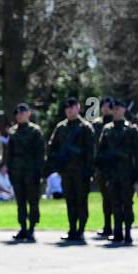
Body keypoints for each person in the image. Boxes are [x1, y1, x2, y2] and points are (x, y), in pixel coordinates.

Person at [46, 97, 96, 243]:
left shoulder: (85, 127)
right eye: (67, 108)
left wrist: (89, 171)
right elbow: (52, 147)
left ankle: (81, 230)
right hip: (66, 171)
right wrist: (57, 161)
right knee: (70, 201)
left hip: (81, 172)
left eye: (72, 107)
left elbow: (91, 152)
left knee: (81, 201)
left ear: (78, 108)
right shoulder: (61, 127)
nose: (69, 110)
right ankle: (72, 229)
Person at [97, 98, 138, 244]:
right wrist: (104, 169)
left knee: (127, 203)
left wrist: (137, 173)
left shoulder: (131, 130)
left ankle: (127, 232)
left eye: (118, 108)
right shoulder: (107, 129)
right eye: (114, 109)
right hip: (112, 173)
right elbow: (101, 152)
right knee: (115, 203)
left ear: (123, 110)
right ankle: (117, 232)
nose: (115, 111)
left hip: (127, 174)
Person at [6, 103, 45, 241]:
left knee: (33, 201)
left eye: (23, 113)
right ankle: (23, 227)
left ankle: (32, 228)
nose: (20, 115)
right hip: (17, 171)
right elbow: (9, 154)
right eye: (18, 113)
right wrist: (9, 170)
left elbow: (41, 153)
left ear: (28, 114)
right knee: (20, 201)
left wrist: (39, 171)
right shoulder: (13, 132)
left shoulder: (35, 131)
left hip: (31, 171)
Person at [91, 97, 114, 239]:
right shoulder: (96, 124)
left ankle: (119, 226)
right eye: (103, 106)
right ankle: (107, 226)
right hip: (101, 167)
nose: (105, 108)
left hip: (116, 167)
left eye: (108, 106)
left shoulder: (117, 123)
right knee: (105, 198)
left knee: (117, 198)